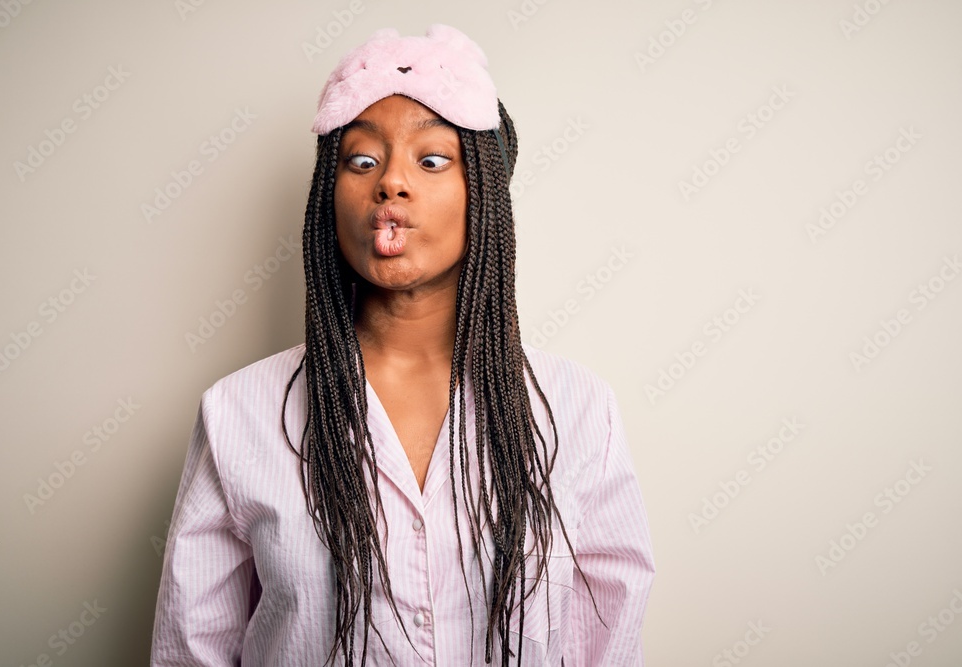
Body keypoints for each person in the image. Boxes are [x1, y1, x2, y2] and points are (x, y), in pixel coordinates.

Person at [151, 23, 655, 666]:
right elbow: (190, 652)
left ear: (484, 193)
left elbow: (608, 642)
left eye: (431, 159)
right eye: (362, 161)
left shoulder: (579, 410)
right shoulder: (238, 413)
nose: (390, 182)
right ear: (328, 198)